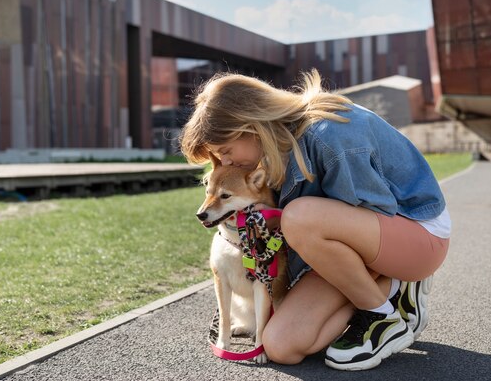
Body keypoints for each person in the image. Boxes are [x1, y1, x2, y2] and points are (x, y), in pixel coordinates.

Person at [179, 69, 451, 371]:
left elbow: (377, 212)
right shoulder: (271, 155)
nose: (226, 164)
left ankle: (382, 315)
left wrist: (285, 223)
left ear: (251, 125)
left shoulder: (329, 136)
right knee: (281, 345)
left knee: (299, 217)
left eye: (226, 152)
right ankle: (388, 291)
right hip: (354, 250)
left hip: (415, 235)